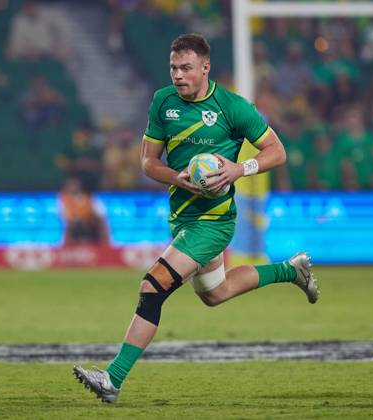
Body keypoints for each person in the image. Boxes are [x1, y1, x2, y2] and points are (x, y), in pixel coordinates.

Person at [73, 33, 319, 403]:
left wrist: (239, 168)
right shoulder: (162, 102)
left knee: (151, 288)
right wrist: (178, 178)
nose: (178, 75)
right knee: (214, 293)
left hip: (214, 223)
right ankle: (290, 270)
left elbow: (277, 152)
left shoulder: (233, 108)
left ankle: (113, 379)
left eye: (186, 68)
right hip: (182, 218)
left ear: (205, 68)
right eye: (173, 67)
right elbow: (148, 163)